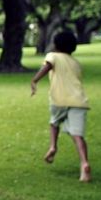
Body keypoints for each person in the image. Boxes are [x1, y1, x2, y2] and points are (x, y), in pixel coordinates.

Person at [31, 31, 91, 182]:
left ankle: (53, 146)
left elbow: (47, 67)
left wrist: (35, 80)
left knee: (54, 122)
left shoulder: (52, 56)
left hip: (59, 100)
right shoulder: (76, 63)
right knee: (78, 135)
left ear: (55, 44)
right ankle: (84, 163)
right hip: (79, 101)